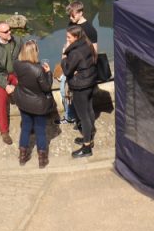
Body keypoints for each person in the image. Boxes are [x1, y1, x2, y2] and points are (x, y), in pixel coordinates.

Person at [13, 38, 55, 169]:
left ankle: (22, 156)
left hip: (23, 102)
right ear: (34, 52)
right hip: (38, 105)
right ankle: (42, 159)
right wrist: (48, 73)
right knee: (40, 130)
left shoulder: (17, 65)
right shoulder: (38, 70)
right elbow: (47, 87)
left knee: (25, 128)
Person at [62, 24, 99, 158]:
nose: (67, 39)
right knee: (89, 110)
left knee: (83, 117)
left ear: (76, 37)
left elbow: (66, 71)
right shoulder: (87, 44)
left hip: (80, 86)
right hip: (89, 83)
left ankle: (87, 147)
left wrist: (64, 57)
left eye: (68, 37)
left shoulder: (75, 52)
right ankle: (89, 137)